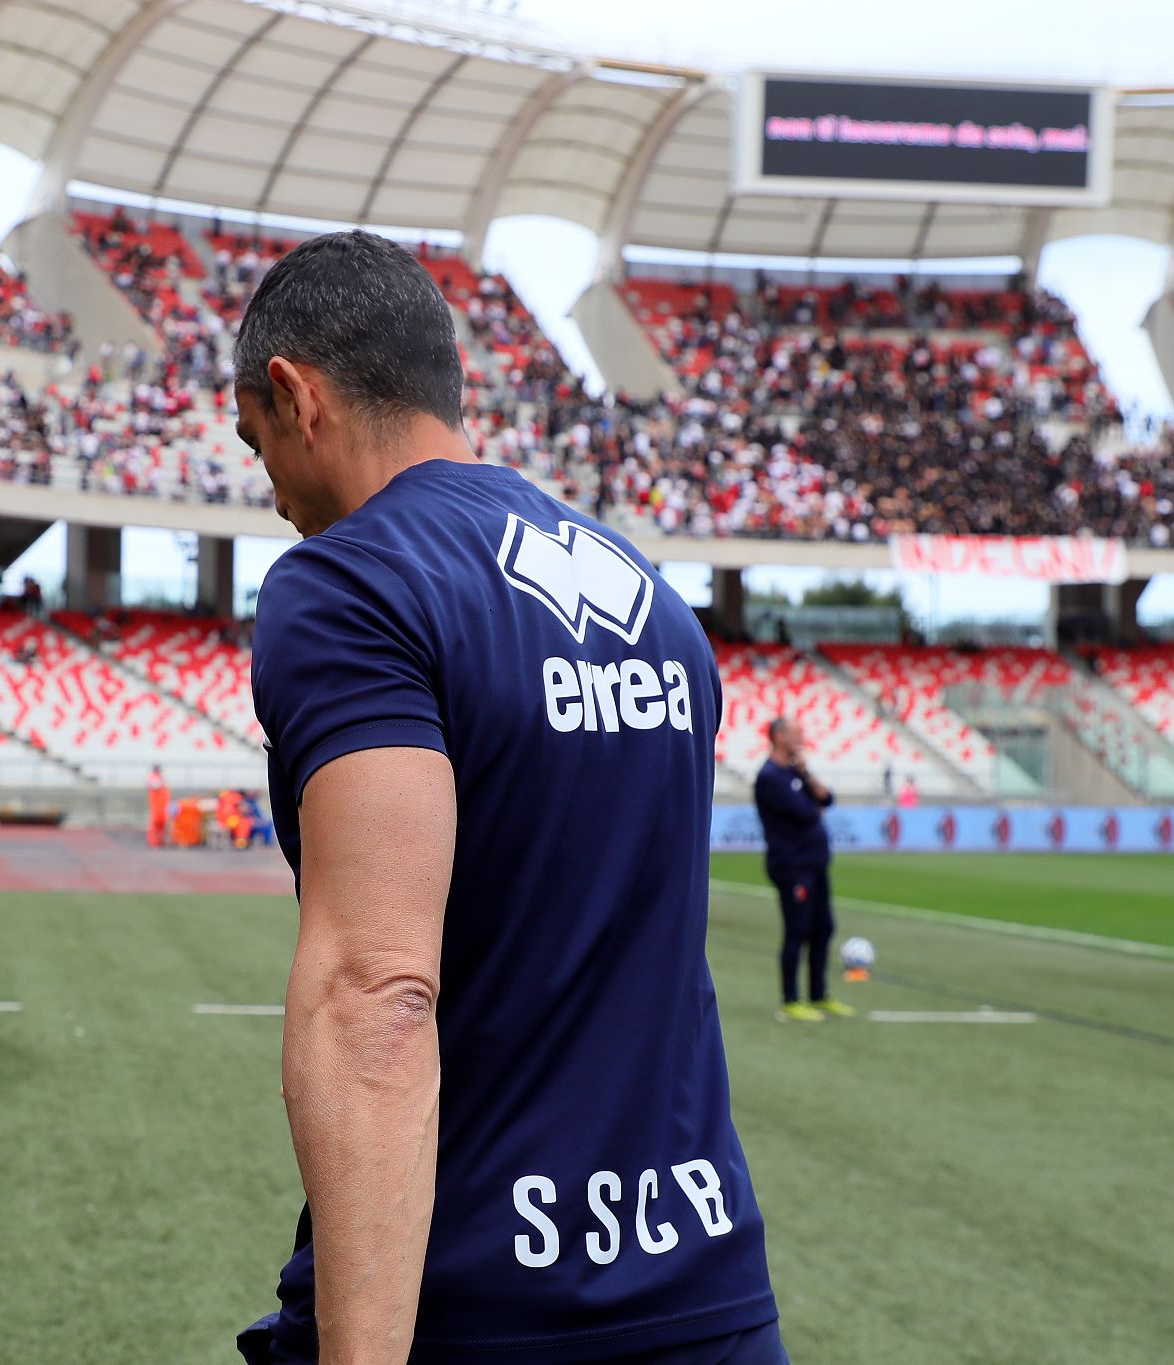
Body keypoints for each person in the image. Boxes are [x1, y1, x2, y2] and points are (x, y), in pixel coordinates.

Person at [233, 232, 780, 1365]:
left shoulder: (350, 586)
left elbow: (372, 994)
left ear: (296, 395)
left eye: (256, 443)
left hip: (479, 1301)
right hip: (705, 1284)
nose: (272, 490)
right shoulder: (654, 604)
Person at [754, 718, 852, 1023]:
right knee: (797, 931)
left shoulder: (796, 773)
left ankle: (819, 994)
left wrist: (806, 775)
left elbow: (827, 799)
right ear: (779, 736)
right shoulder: (769, 777)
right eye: (796, 733)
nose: (802, 737)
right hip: (792, 866)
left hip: (816, 862)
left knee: (824, 928)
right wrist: (813, 801)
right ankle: (791, 999)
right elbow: (807, 812)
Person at [145, 766, 170, 847]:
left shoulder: (156, 777)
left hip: (161, 806)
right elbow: (156, 786)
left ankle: (159, 841)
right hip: (158, 806)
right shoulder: (154, 777)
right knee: (156, 823)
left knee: (160, 824)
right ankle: (154, 842)